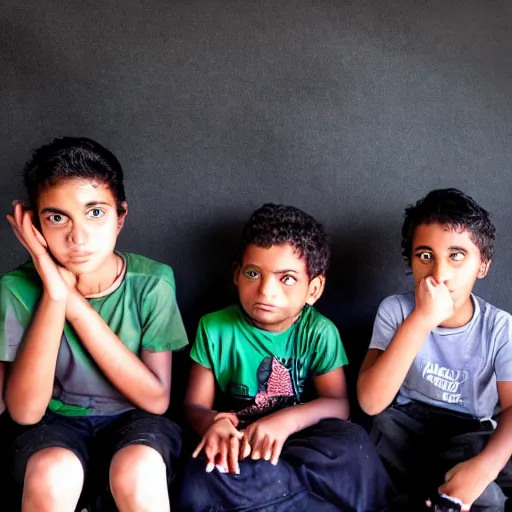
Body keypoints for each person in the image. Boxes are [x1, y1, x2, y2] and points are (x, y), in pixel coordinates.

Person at [0, 137, 188, 512]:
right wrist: (53, 293)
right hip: (53, 424)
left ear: (121, 217)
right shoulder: (17, 289)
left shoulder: (152, 283)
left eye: (95, 212)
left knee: (139, 469)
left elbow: (155, 399)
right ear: (34, 225)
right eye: (56, 217)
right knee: (53, 472)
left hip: (135, 422)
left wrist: (70, 299)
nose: (78, 237)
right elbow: (25, 412)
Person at [177, 203, 393, 512]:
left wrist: (285, 422)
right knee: (199, 480)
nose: (266, 290)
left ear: (313, 289)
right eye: (254, 273)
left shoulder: (319, 331)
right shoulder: (214, 328)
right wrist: (214, 424)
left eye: (287, 278)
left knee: (353, 443)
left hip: (302, 442)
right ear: (237, 275)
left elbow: (339, 405)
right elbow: (194, 406)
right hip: (241, 445)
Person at [358, 188, 512, 512]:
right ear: (411, 261)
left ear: (482, 265)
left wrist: (483, 468)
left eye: (456, 256)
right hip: (404, 427)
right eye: (425, 256)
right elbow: (371, 402)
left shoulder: (500, 328)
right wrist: (422, 319)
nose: (439, 274)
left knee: (489, 480)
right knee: (363, 447)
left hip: (468, 432)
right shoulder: (396, 311)